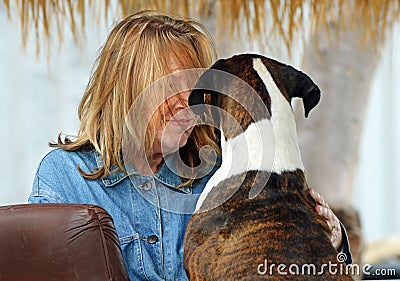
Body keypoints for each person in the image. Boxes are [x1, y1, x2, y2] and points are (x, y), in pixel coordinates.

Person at [29, 10, 351, 280]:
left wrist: (332, 245)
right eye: (171, 87)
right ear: (125, 92)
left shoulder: (226, 175)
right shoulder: (65, 176)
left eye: (197, 86)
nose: (188, 102)